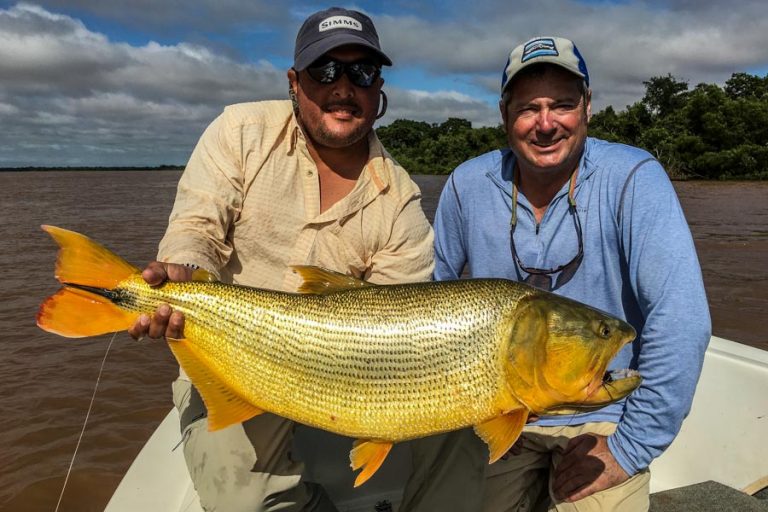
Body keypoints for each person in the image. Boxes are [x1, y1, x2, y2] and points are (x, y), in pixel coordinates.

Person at [127, 7, 434, 511]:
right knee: (243, 495)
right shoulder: (241, 130)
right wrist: (185, 269)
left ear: (379, 89)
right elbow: (198, 226)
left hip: (348, 379)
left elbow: (393, 320)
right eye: (325, 70)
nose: (343, 86)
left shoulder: (400, 200)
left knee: (459, 439)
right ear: (295, 82)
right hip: (230, 362)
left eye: (361, 72)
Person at [409, 36, 711, 511]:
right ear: (505, 114)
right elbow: (425, 301)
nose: (546, 123)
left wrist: (629, 449)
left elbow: (682, 320)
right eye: (529, 107)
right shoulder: (467, 184)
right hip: (494, 407)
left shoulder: (634, 178)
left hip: (602, 417)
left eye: (563, 105)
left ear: (587, 108)